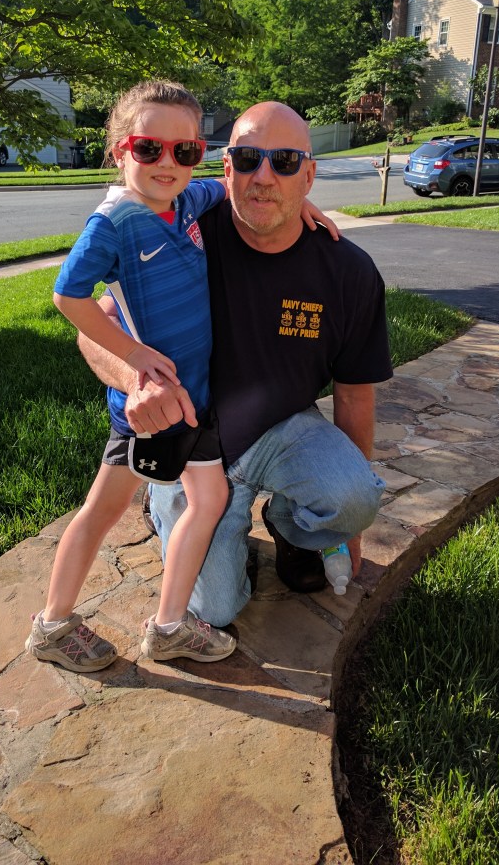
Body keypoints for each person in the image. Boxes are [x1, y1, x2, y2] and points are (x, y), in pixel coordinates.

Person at [27, 83, 335, 671]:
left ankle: (169, 626)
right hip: (154, 413)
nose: (167, 163)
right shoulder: (114, 223)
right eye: (149, 148)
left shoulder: (188, 201)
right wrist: (134, 357)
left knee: (209, 498)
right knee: (102, 512)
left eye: (185, 150)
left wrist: (301, 204)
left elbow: (236, 190)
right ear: (120, 150)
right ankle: (52, 625)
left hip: (197, 404)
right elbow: (69, 296)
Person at [78, 100, 393, 630]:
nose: (264, 177)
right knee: (212, 610)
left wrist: (346, 529)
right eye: (248, 159)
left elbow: (354, 394)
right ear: (226, 170)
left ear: (310, 175)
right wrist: (136, 380)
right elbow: (95, 326)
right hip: (191, 440)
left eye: (285, 162)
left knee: (355, 499)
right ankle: (170, 503)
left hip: (280, 428)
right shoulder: (183, 230)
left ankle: (290, 527)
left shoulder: (348, 272)